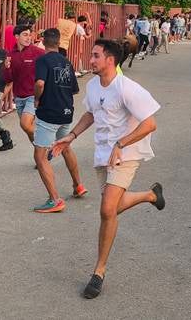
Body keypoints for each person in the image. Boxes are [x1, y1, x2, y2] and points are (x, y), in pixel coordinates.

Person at [50, 39, 164, 299]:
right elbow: (91, 114)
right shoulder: (92, 86)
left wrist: (121, 143)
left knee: (106, 210)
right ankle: (150, 195)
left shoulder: (127, 88)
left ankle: (98, 272)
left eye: (95, 56)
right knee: (111, 207)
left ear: (110, 60)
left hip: (126, 153)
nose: (90, 60)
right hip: (103, 154)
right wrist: (72, 136)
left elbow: (150, 124)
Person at [31, 28, 87, 213]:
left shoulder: (42, 60)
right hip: (66, 112)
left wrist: (37, 98)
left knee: (40, 157)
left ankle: (54, 199)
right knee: (65, 147)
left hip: (49, 113)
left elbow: (40, 83)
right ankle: (78, 185)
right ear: (58, 42)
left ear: (43, 41)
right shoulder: (66, 62)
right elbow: (75, 90)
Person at [3, 24, 45, 152]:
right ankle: (42, 152)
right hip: (19, 97)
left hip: (33, 96)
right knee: (27, 129)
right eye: (25, 35)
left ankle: (46, 145)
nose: (29, 38)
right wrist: (6, 68)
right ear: (16, 36)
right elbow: (8, 80)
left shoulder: (38, 52)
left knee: (25, 124)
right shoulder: (10, 54)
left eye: (30, 35)